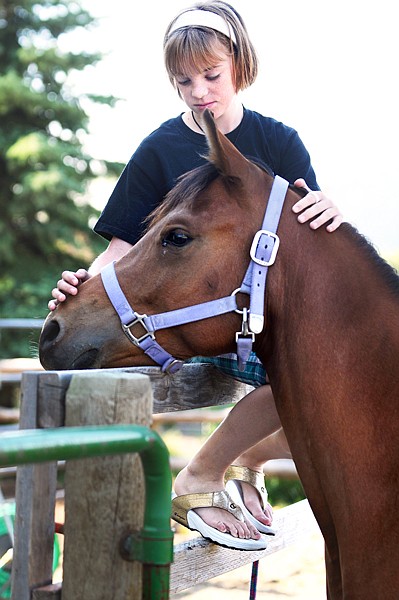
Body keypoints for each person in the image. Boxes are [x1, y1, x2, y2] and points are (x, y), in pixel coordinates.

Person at [49, 1, 343, 550]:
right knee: (301, 373)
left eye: (212, 76)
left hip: (263, 320)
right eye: (184, 81)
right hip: (193, 316)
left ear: (239, 65)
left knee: (331, 373)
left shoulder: (278, 143)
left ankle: (245, 458)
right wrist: (81, 291)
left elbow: (307, 238)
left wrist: (328, 212)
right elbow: (120, 247)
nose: (200, 91)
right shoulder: (159, 149)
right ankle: (205, 471)